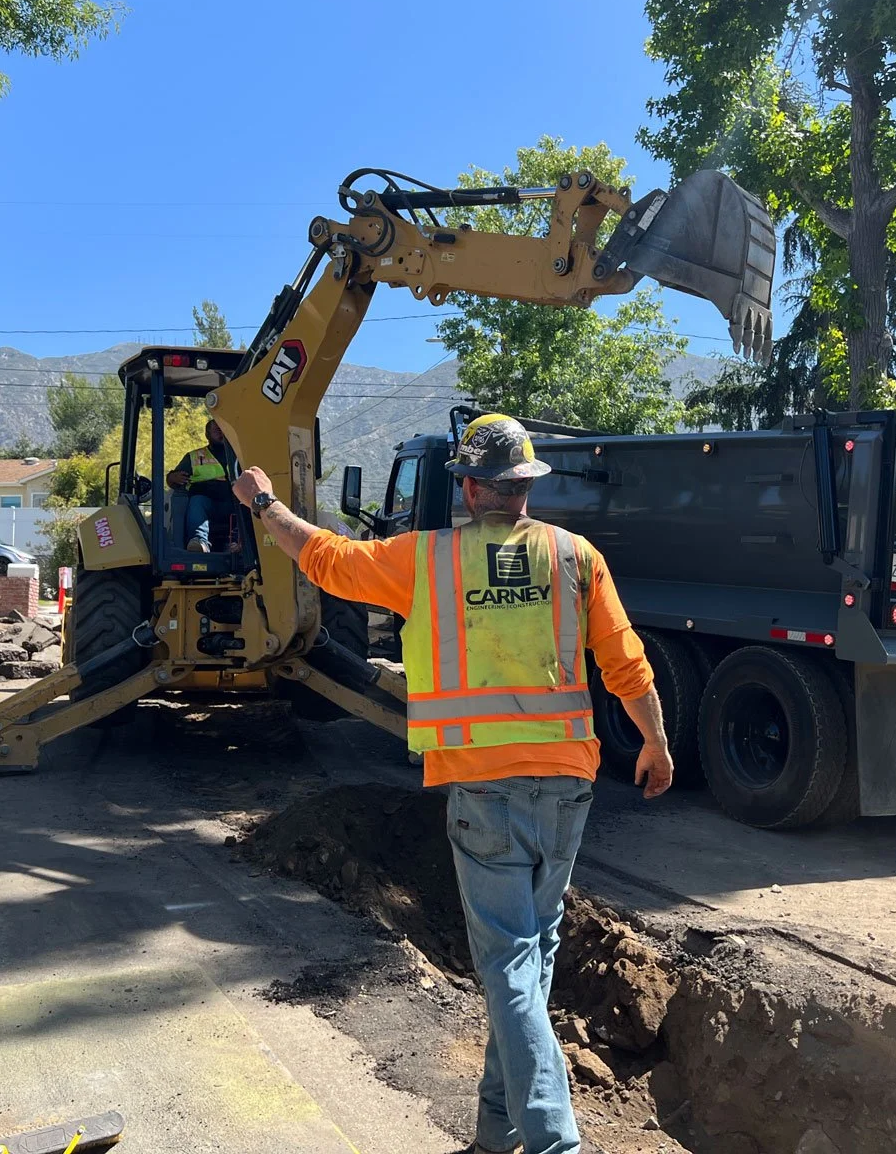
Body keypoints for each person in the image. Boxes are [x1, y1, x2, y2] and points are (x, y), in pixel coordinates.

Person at [232, 413, 673, 1154]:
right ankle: (495, 1134)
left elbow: (327, 559)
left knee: (507, 967)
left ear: (468, 487)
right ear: (525, 485)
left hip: (485, 789)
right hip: (567, 786)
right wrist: (656, 741)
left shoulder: (427, 560)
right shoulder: (576, 556)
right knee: (528, 961)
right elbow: (626, 665)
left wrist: (264, 503)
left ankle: (554, 1141)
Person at [166, 419, 233, 552]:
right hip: (209, 504)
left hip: (233, 502)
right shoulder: (195, 457)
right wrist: (172, 477)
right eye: (217, 430)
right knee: (197, 502)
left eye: (224, 430)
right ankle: (200, 542)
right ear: (207, 435)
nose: (221, 433)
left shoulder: (239, 455)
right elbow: (172, 479)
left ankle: (241, 544)